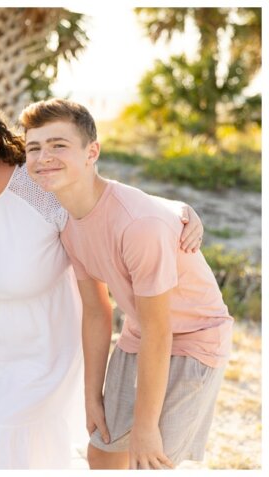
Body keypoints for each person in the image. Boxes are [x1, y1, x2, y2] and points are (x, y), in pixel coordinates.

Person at [0, 87, 205, 468]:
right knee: (1, 449)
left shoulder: (38, 186)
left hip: (40, 352)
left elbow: (100, 196)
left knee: (3, 449)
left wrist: (174, 210)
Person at [20, 99, 232, 470]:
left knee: (148, 459)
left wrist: (146, 427)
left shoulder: (138, 225)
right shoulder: (69, 223)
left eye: (58, 145)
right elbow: (97, 313)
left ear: (92, 152)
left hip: (194, 338)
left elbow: (160, 329)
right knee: (102, 451)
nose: (43, 157)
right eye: (34, 147)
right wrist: (92, 397)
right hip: (141, 335)